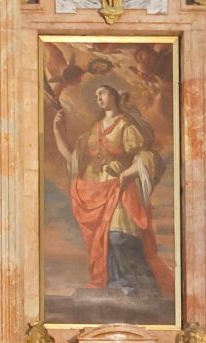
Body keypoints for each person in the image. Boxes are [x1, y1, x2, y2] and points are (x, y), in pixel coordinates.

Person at [50, 83, 172, 295]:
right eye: (96, 93)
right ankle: (116, 283)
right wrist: (57, 131)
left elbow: (148, 157)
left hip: (121, 188)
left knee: (120, 234)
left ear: (114, 95)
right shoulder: (94, 131)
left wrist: (127, 174)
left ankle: (136, 284)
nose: (98, 96)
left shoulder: (125, 125)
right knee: (105, 239)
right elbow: (74, 160)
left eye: (103, 92)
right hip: (100, 189)